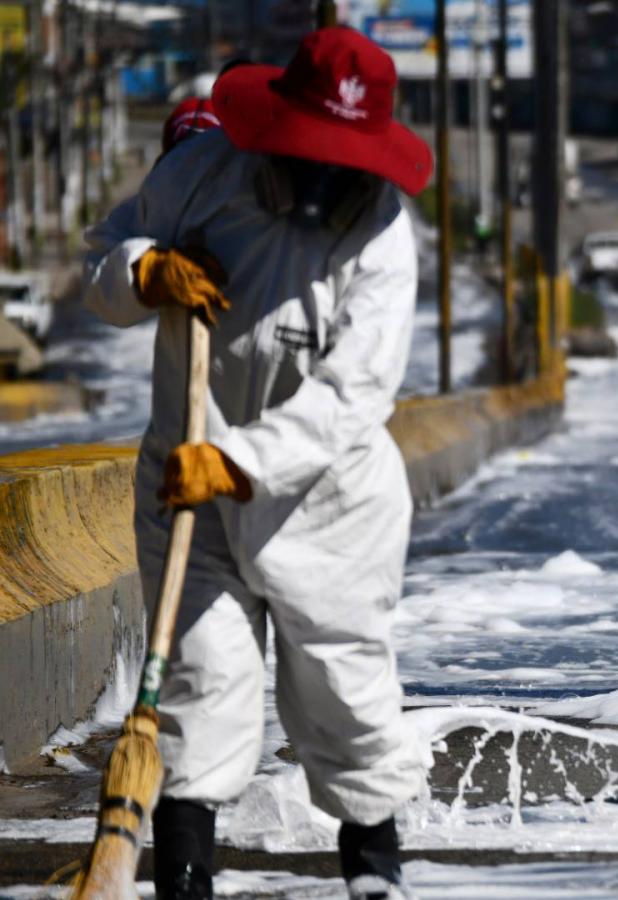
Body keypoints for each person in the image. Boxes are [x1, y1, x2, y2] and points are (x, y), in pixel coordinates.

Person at [83, 28, 431, 900]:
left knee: (344, 701)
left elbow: (355, 396)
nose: (319, 183)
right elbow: (105, 255)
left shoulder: (385, 238)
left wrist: (235, 461)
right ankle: (184, 883)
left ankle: (374, 879)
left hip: (330, 502)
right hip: (187, 494)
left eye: (339, 165)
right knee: (202, 690)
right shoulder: (199, 173)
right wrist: (146, 271)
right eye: (305, 158)